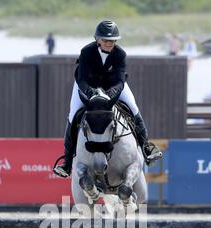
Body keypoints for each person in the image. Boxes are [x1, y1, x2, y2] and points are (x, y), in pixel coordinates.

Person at [54, 20, 162, 178]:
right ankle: (67, 162)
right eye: (105, 40)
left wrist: (107, 97)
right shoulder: (86, 52)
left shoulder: (120, 54)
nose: (109, 43)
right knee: (73, 115)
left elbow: (119, 82)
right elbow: (82, 79)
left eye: (112, 40)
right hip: (87, 87)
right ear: (97, 39)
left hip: (114, 88)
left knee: (133, 108)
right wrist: (92, 95)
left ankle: (146, 147)